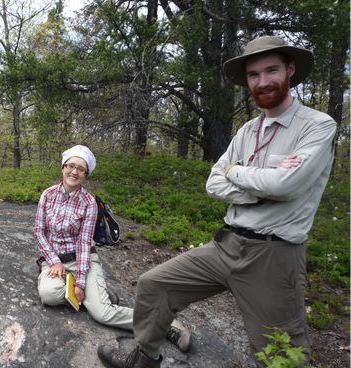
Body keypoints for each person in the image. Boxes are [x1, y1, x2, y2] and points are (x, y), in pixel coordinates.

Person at [97, 36, 337, 368]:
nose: (263, 82)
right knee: (155, 285)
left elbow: (287, 185)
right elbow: (214, 182)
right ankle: (145, 357)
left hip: (273, 255)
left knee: (281, 354)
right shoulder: (246, 132)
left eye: (272, 70)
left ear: (290, 69)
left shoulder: (317, 126)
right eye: (254, 74)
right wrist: (257, 179)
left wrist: (237, 173)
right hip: (226, 245)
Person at [35, 145, 192, 349]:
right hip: (56, 263)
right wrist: (54, 261)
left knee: (102, 314)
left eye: (80, 169)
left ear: (86, 173)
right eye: (71, 166)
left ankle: (165, 324)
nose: (74, 172)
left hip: (84, 260)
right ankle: (99, 296)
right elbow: (40, 232)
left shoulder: (89, 203)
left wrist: (81, 283)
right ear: (63, 167)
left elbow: (84, 243)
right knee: (48, 295)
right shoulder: (47, 195)